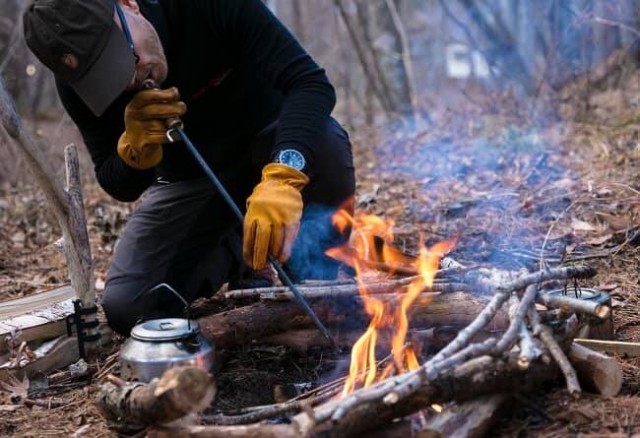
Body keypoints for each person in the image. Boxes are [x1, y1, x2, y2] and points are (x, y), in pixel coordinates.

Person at [23, 0, 355, 336]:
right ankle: (240, 250)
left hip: (271, 144)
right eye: (108, 77)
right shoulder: (78, 85)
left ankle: (321, 270)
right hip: (190, 184)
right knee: (130, 306)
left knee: (323, 143)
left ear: (129, 5)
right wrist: (134, 150)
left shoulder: (202, 7)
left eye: (125, 59)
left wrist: (284, 175)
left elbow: (310, 83)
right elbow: (117, 183)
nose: (130, 79)